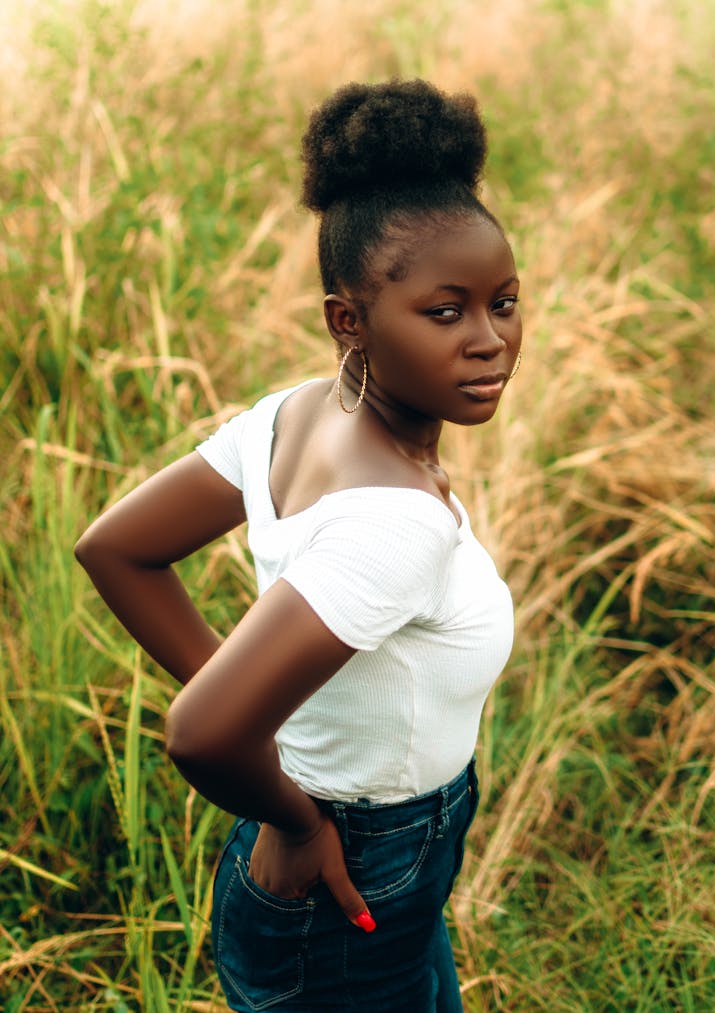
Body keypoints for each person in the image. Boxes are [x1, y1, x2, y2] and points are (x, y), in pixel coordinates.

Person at [75, 78, 521, 1012]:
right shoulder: (393, 522)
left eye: (504, 302)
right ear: (347, 320)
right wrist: (288, 811)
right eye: (446, 312)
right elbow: (200, 729)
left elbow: (117, 548)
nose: (490, 342)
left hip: (370, 852)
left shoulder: (291, 415)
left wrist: (262, 735)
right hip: (350, 863)